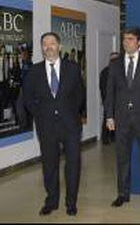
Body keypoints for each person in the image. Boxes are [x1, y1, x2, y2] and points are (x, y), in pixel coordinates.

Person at [22, 32, 85, 216]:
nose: (48, 47)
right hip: (46, 125)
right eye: (45, 44)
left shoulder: (72, 68)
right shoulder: (34, 71)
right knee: (49, 164)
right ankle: (52, 201)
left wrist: (70, 112)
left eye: (52, 43)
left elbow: (79, 95)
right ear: (42, 48)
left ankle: (71, 203)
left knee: (73, 164)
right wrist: (40, 115)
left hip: (70, 125)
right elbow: (27, 99)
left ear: (59, 46)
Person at [105, 28, 140, 209]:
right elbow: (109, 92)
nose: (126, 42)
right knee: (122, 158)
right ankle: (122, 194)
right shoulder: (114, 64)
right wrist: (109, 116)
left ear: (139, 42)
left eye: (130, 39)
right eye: (124, 39)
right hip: (121, 119)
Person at [99, 52, 119, 144]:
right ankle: (105, 138)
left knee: (117, 119)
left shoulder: (121, 71)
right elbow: (102, 87)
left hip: (118, 101)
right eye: (113, 59)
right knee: (107, 119)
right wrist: (105, 100)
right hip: (108, 100)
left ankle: (114, 137)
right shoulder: (105, 72)